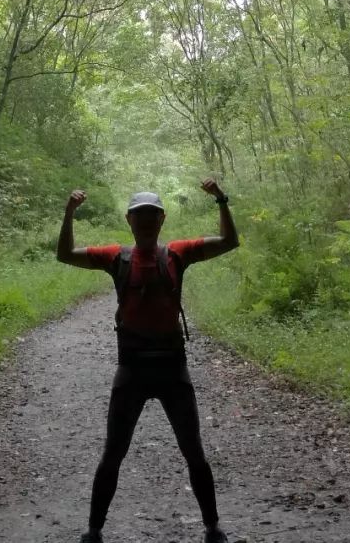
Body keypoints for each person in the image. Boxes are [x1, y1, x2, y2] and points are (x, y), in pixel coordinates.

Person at [56, 178, 239, 543]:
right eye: (140, 215)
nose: (145, 221)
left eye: (151, 215)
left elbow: (228, 242)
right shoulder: (116, 257)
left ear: (161, 219)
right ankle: (93, 531)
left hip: (172, 368)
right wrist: (69, 213)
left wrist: (221, 200)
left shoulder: (177, 254)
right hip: (132, 370)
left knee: (194, 452)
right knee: (113, 453)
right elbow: (65, 254)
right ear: (129, 220)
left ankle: (212, 528)